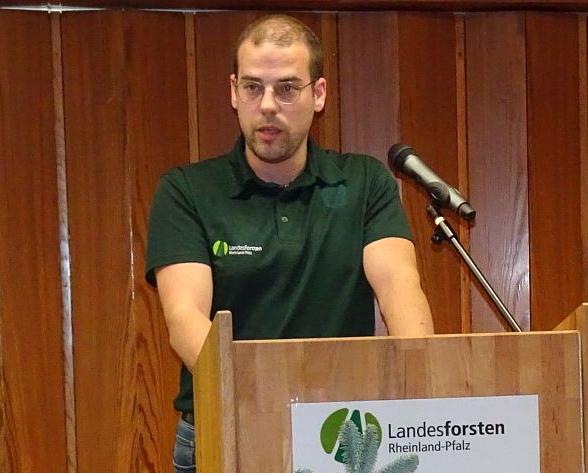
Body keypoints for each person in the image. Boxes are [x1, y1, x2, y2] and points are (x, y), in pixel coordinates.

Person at [145, 14, 434, 473]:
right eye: (253, 87)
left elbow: (400, 287)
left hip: (341, 434)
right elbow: (184, 320)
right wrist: (271, 400)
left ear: (317, 95)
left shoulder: (363, 182)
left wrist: (427, 382)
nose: (267, 106)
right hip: (227, 427)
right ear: (233, 91)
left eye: (286, 88)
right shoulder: (188, 190)